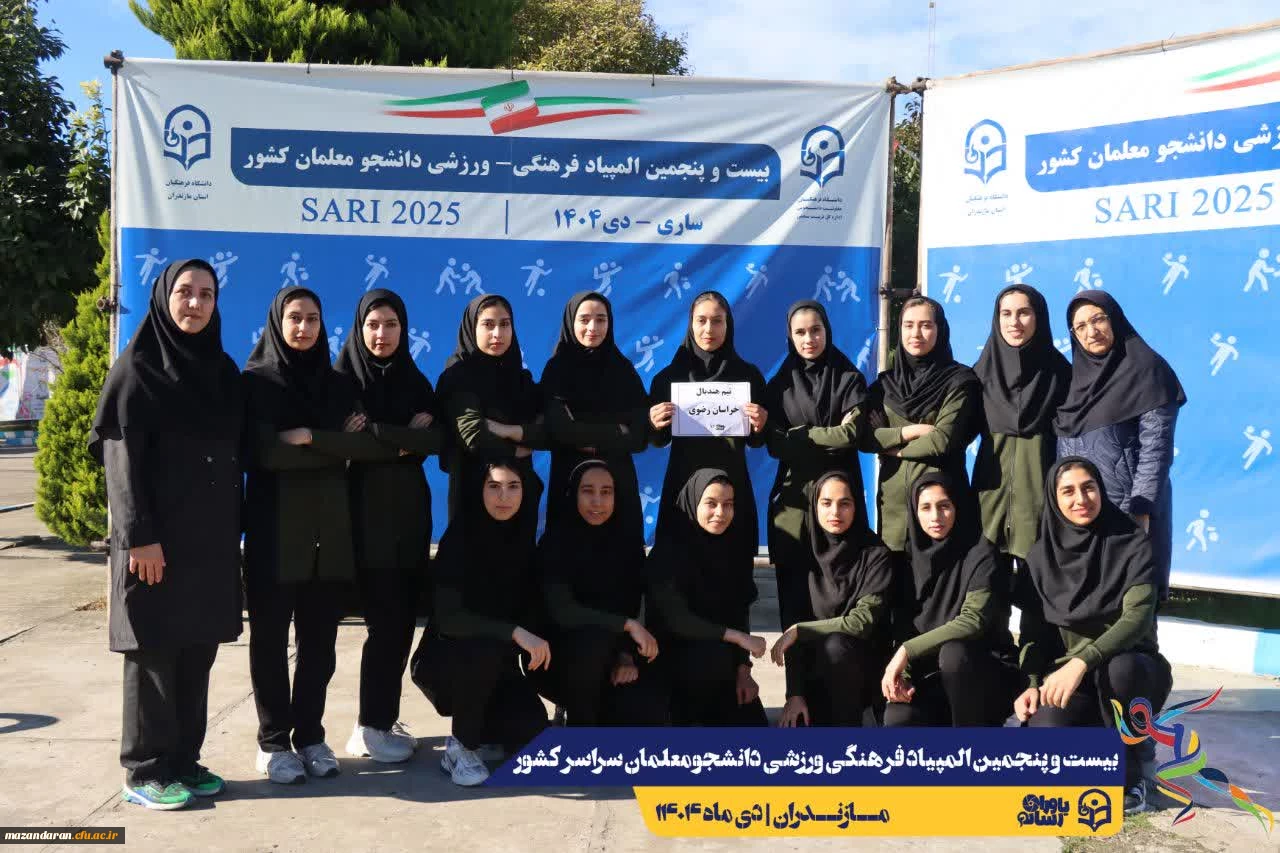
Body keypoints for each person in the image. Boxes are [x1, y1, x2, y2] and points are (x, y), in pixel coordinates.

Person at [89, 259, 243, 810]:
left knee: (197, 651)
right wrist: (140, 537)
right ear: (163, 297)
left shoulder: (221, 372)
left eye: (206, 294)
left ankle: (182, 760)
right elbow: (122, 466)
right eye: (184, 292)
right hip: (155, 544)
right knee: (153, 651)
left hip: (209, 545)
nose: (195, 303)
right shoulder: (137, 370)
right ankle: (145, 769)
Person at [242, 287, 385, 784]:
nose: (303, 328)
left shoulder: (337, 383)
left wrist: (308, 437)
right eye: (295, 318)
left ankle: (310, 736)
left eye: (313, 319)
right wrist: (332, 444)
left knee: (320, 646)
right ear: (278, 322)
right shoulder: (256, 382)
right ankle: (272, 742)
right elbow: (264, 454)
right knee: (269, 644)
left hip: (329, 536)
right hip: (275, 535)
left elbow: (363, 447)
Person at [1015, 457, 1173, 815]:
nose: (1081, 499)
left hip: (1131, 674)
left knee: (1121, 670)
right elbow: (1033, 634)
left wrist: (1081, 662)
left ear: (1101, 489)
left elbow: (1136, 619)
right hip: (1071, 682)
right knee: (1047, 739)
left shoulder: (1132, 544)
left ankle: (1131, 769)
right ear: (1054, 499)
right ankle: (1099, 741)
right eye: (1068, 491)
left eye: (1089, 487)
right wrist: (1032, 682)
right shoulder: (1040, 558)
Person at [334, 289, 443, 764]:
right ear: (359, 329)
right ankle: (369, 725)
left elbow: (436, 440)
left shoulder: (413, 380)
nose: (382, 334)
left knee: (401, 622)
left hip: (410, 518)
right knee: (384, 624)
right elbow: (349, 446)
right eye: (373, 325)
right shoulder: (342, 383)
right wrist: (402, 439)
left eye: (391, 325)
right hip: (365, 518)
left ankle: (382, 717)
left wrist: (381, 434)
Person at [409, 462, 549, 786]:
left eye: (513, 487)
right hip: (447, 663)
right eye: (494, 486)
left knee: (533, 733)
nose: (504, 497)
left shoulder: (523, 541)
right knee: (484, 646)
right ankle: (461, 746)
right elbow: (450, 619)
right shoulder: (460, 539)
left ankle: (483, 730)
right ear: (479, 490)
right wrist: (514, 632)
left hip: (498, 669)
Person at [764, 300, 869, 714]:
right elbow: (774, 444)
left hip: (838, 508)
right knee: (795, 605)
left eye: (816, 330)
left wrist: (800, 436)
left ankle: (843, 700)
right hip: (794, 511)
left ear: (827, 331)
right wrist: (823, 434)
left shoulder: (848, 378)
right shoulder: (779, 385)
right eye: (800, 332)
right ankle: (796, 695)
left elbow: (851, 435)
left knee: (841, 600)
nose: (809, 339)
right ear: (790, 337)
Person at [1054, 291, 1185, 601]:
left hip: (1129, 513)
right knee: (1086, 601)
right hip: (1081, 512)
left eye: (1098, 320)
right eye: (1080, 326)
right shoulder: (1076, 381)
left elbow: (1156, 451)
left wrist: (1141, 511)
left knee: (1132, 602)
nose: (1091, 331)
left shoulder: (1147, 370)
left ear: (1115, 320)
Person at [880, 473, 1021, 727]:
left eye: (944, 506)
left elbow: (973, 621)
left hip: (981, 675)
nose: (935, 516)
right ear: (914, 512)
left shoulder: (981, 553)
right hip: (931, 675)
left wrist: (907, 651)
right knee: (897, 718)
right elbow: (902, 625)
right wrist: (906, 675)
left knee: (954, 653)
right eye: (925, 507)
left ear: (958, 507)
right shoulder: (906, 561)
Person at [533, 459, 666, 725]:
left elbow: (632, 604)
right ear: (573, 494)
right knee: (592, 643)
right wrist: (627, 625)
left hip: (615, 654)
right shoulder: (556, 542)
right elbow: (564, 612)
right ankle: (578, 724)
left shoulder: (627, 543)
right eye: (587, 491)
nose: (597, 501)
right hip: (561, 657)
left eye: (606, 492)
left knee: (647, 712)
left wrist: (626, 656)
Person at [769, 472, 894, 727]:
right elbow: (792, 628)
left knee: (836, 645)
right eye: (826, 503)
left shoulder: (876, 554)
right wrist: (794, 694)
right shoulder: (800, 555)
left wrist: (802, 630)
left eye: (844, 503)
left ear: (856, 506)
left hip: (861, 671)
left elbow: (861, 623)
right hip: (814, 672)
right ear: (814, 506)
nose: (835, 512)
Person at [646, 468, 768, 725]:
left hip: (720, 663)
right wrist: (738, 638)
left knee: (752, 724)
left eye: (728, 504)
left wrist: (743, 670)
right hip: (671, 659)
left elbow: (739, 613)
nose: (720, 513)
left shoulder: (733, 551)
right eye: (711, 503)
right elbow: (677, 620)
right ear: (693, 503)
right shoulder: (668, 553)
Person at [648, 291, 769, 551]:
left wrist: (760, 425)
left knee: (731, 564)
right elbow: (658, 441)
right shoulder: (668, 379)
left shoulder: (748, 376)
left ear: (728, 325)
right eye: (701, 320)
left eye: (717, 321)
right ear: (691, 324)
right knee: (680, 561)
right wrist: (654, 424)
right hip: (683, 484)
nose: (708, 329)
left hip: (731, 486)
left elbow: (757, 442)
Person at [862, 296, 981, 553]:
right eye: (908, 325)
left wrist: (893, 449)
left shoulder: (960, 381)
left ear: (941, 329)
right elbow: (866, 437)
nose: (916, 333)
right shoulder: (884, 386)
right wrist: (911, 431)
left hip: (941, 511)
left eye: (926, 325)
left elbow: (943, 440)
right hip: (894, 513)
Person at [540, 291, 649, 541]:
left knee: (621, 554)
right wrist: (617, 432)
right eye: (584, 319)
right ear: (571, 322)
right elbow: (561, 431)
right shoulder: (557, 370)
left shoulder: (622, 370)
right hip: (569, 482)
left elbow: (640, 437)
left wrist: (585, 434)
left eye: (601, 320)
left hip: (618, 484)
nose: (593, 328)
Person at [435, 294, 547, 518]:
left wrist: (506, 430)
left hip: (520, 495)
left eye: (504, 324)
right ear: (472, 328)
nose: (497, 333)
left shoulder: (521, 380)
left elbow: (549, 432)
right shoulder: (458, 376)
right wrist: (515, 449)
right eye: (488, 324)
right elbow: (472, 434)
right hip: (472, 492)